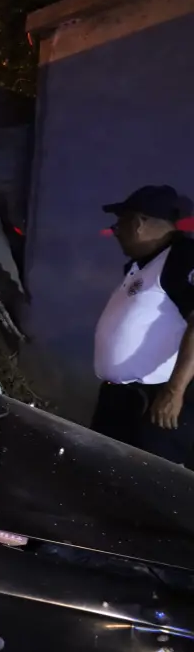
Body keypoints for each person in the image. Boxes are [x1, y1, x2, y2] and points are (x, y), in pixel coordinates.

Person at [91, 184, 194, 467]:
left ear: (137, 223)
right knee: (101, 479)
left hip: (154, 404)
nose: (115, 231)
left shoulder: (183, 257)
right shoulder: (142, 265)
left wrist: (174, 391)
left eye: (119, 223)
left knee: (147, 490)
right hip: (119, 401)